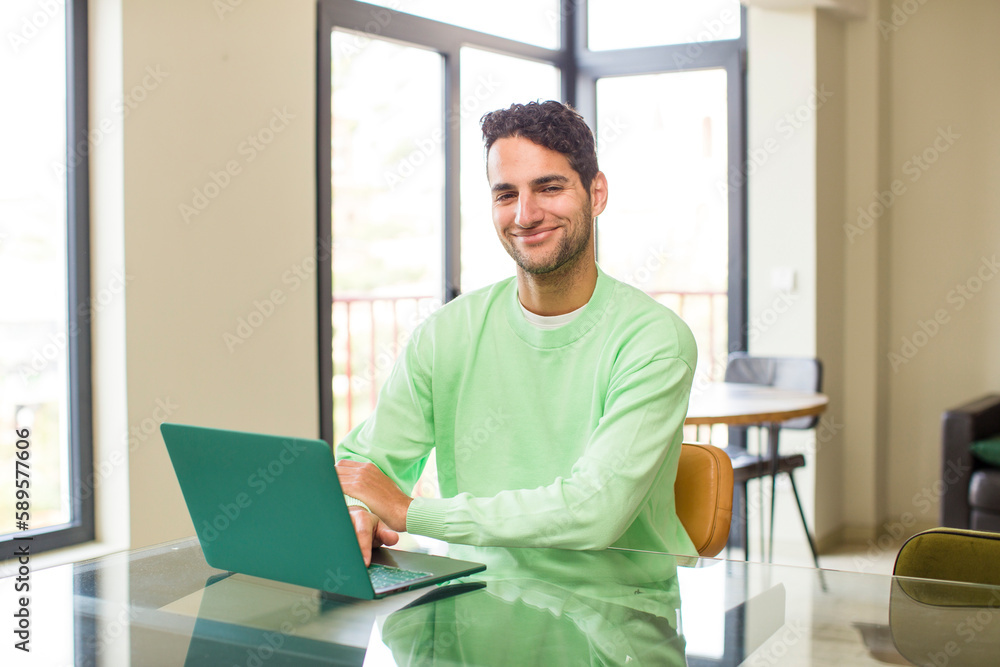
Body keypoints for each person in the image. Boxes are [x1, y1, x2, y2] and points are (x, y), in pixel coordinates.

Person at [336, 100, 697, 564]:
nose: (525, 215)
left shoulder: (654, 341)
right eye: (506, 194)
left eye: (549, 187)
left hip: (623, 615)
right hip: (474, 606)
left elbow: (593, 511)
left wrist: (410, 512)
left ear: (597, 193)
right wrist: (357, 509)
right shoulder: (447, 333)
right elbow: (362, 467)